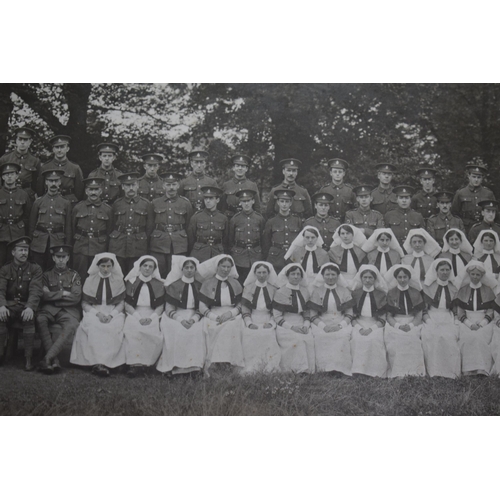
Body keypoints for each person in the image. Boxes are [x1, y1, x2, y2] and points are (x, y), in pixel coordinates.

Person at [70, 253, 126, 377]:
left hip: (113, 311)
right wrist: (98, 314)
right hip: (94, 311)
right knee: (94, 327)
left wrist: (111, 315)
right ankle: (97, 363)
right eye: (102, 266)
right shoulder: (90, 280)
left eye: (108, 266)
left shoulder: (118, 280)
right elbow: (84, 303)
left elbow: (121, 303)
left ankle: (111, 362)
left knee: (114, 327)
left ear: (113, 266)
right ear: (98, 266)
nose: (105, 269)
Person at [36, 245, 82, 374]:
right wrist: (63, 294)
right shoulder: (46, 275)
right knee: (40, 318)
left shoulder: (74, 276)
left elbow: (76, 297)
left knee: (72, 325)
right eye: (58, 257)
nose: (61, 260)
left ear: (68, 258)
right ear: (53, 258)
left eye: (63, 257)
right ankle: (54, 359)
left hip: (68, 311)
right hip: (48, 310)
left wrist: (52, 295)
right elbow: (43, 295)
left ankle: (47, 359)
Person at [156, 256, 205, 376]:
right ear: (182, 269)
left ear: (195, 269)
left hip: (195, 316)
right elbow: (169, 308)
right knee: (177, 330)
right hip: (175, 316)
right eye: (186, 267)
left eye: (192, 267)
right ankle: (175, 366)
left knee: (197, 331)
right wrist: (180, 320)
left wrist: (194, 319)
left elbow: (202, 307)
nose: (189, 270)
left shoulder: (200, 286)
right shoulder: (174, 286)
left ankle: (194, 367)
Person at [0, 237, 42, 370]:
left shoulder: (35, 268)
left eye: (26, 250)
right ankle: (1, 355)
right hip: (10, 306)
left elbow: (35, 291)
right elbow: (0, 289)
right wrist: (1, 305)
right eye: (21, 250)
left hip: (25, 305)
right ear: (13, 252)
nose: (24, 253)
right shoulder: (5, 269)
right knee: (0, 318)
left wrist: (30, 307)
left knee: (29, 319)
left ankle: (28, 359)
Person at [198, 255, 244, 372]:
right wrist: (214, 317)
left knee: (232, 327)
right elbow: (202, 306)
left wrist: (231, 313)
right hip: (213, 315)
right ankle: (214, 363)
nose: (226, 269)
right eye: (223, 266)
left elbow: (240, 304)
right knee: (212, 327)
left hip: (232, 315)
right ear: (217, 266)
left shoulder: (235, 283)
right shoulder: (208, 283)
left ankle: (229, 362)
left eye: (229, 267)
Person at [308, 263, 354, 375]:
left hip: (341, 320)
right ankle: (324, 369)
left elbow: (349, 314)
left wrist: (340, 325)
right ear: (322, 276)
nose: (330, 277)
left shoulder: (344, 291)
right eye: (327, 274)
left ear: (338, 276)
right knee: (321, 336)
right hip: (322, 321)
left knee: (342, 336)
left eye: (333, 274)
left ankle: (340, 368)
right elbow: (313, 315)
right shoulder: (317, 291)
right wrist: (324, 326)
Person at [122, 256, 165, 377]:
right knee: (133, 330)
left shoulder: (158, 284)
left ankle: (148, 365)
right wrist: (138, 317)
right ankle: (134, 365)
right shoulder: (131, 282)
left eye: (150, 267)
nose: (147, 268)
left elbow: (160, 306)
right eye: (145, 266)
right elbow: (127, 304)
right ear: (139, 267)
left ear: (154, 269)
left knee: (152, 331)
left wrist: (151, 318)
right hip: (134, 313)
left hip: (152, 313)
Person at [421, 258, 461, 379]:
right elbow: (424, 310)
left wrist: (455, 320)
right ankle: (434, 370)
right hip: (431, 316)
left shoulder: (454, 288)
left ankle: (450, 372)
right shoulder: (428, 287)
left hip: (447, 316)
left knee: (449, 337)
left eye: (447, 270)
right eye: (442, 270)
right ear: (436, 271)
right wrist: (429, 321)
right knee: (432, 335)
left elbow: (454, 308)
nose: (444, 272)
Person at [454, 261, 496, 376]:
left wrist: (482, 323)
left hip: (485, 322)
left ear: (482, 276)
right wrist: (470, 324)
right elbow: (460, 311)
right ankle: (468, 369)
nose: (475, 277)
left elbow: (491, 311)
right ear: (469, 275)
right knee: (468, 338)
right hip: (466, 321)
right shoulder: (463, 290)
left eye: (478, 275)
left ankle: (481, 369)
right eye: (473, 274)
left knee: (480, 337)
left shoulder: (488, 290)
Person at [384, 264, 426, 378]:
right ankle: (398, 372)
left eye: (405, 277)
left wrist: (411, 325)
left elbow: (419, 314)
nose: (402, 280)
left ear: (409, 278)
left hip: (413, 322)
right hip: (396, 322)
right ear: (396, 278)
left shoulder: (416, 292)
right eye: (400, 277)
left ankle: (415, 372)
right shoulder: (391, 293)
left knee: (413, 338)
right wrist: (398, 325)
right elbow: (389, 316)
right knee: (398, 339)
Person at [109, 171, 154, 275]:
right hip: (119, 245)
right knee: (118, 275)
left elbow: (149, 227)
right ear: (123, 187)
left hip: (138, 245)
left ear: (138, 186)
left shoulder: (146, 204)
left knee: (134, 275)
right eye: (127, 185)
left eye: (133, 185)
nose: (131, 188)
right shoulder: (117, 204)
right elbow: (111, 226)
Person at [273, 263, 315, 373]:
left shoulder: (305, 291)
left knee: (308, 338)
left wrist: (306, 325)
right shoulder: (280, 291)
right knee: (297, 339)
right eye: (293, 274)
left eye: (298, 274)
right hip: (285, 324)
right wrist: (291, 327)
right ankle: (293, 369)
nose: (296, 277)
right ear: (287, 276)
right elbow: (277, 316)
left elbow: (306, 312)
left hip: (301, 321)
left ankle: (307, 369)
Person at [240, 261, 281, 374]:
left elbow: (276, 310)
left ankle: (269, 367)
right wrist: (249, 323)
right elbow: (245, 308)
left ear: (269, 274)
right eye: (259, 272)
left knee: (268, 335)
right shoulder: (248, 288)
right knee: (249, 335)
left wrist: (272, 322)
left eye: (264, 272)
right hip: (252, 318)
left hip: (268, 318)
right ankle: (251, 367)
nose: (262, 275)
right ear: (255, 273)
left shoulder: (274, 289)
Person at [150, 172, 193, 278]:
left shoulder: (185, 203)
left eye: (174, 184)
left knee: (176, 273)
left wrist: (188, 246)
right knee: (159, 273)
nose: (171, 188)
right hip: (159, 244)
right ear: (163, 186)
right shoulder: (155, 203)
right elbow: (150, 225)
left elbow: (189, 226)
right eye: (168, 185)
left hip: (179, 244)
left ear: (178, 185)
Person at [29, 169, 72, 269]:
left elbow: (68, 227)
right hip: (39, 242)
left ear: (60, 182)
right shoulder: (38, 202)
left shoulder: (66, 203)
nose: (53, 184)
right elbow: (31, 225)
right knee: (37, 269)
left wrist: (67, 246)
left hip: (57, 241)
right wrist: (31, 243)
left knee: (53, 270)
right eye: (51, 181)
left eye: (56, 181)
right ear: (46, 182)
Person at [350, 265, 388, 377]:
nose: (367, 280)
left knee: (375, 339)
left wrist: (371, 329)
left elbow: (382, 318)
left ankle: (375, 371)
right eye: (365, 277)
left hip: (376, 324)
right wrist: (360, 328)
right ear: (361, 278)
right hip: (358, 323)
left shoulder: (381, 295)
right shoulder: (355, 293)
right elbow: (352, 316)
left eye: (370, 277)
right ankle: (358, 370)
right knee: (357, 339)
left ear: (375, 279)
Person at [72, 177, 113, 280]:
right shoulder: (78, 207)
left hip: (99, 247)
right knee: (80, 274)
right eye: (91, 189)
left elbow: (109, 231)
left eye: (96, 189)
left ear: (101, 191)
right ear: (86, 191)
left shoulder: (107, 209)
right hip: (81, 247)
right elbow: (72, 228)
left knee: (97, 276)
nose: (93, 192)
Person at [228, 189, 265, 284]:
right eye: (244, 201)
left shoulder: (259, 218)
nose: (246, 204)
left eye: (248, 201)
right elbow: (230, 240)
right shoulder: (235, 219)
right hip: (239, 257)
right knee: (240, 283)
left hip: (255, 255)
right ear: (240, 203)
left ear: (253, 201)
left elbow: (263, 238)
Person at [261, 188, 302, 273]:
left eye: (287, 202)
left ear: (290, 203)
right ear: (278, 202)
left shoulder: (297, 221)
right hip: (275, 258)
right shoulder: (271, 221)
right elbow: (266, 243)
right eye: (282, 201)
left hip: (292, 256)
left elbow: (300, 242)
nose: (284, 204)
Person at [38, 135, 84, 206]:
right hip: (50, 203)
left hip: (70, 203)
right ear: (53, 149)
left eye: (62, 147)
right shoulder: (45, 167)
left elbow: (79, 192)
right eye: (57, 147)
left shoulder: (75, 168)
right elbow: (39, 191)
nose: (59, 150)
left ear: (67, 149)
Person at [0, 163, 31, 265]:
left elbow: (27, 216)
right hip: (2, 233)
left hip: (18, 233)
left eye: (12, 174)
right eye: (6, 174)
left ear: (17, 176)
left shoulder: (23, 194)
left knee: (16, 263)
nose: (9, 176)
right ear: (2, 177)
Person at [451, 163, 495, 235]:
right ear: (469, 176)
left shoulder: (488, 193)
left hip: (484, 229)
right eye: (474, 177)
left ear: (482, 178)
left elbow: (495, 213)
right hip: (466, 229)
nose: (476, 180)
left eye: (479, 177)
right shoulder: (461, 193)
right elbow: (454, 213)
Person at [187, 186, 228, 262]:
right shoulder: (196, 217)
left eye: (211, 198)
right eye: (206, 198)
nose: (208, 201)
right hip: (199, 253)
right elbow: (191, 238)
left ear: (217, 200)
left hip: (217, 253)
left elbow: (226, 239)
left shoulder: (223, 218)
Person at [0, 126, 41, 200]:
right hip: (8, 195)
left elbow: (36, 183)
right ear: (16, 140)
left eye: (25, 140)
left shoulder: (35, 161)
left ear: (30, 141)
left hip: (27, 195)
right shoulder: (5, 159)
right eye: (20, 139)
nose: (22, 142)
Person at [221, 154, 261, 219]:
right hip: (229, 219)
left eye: (242, 166)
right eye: (237, 166)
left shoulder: (252, 185)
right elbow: (222, 207)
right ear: (233, 168)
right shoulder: (226, 185)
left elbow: (257, 208)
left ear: (246, 169)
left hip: (247, 220)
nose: (240, 168)